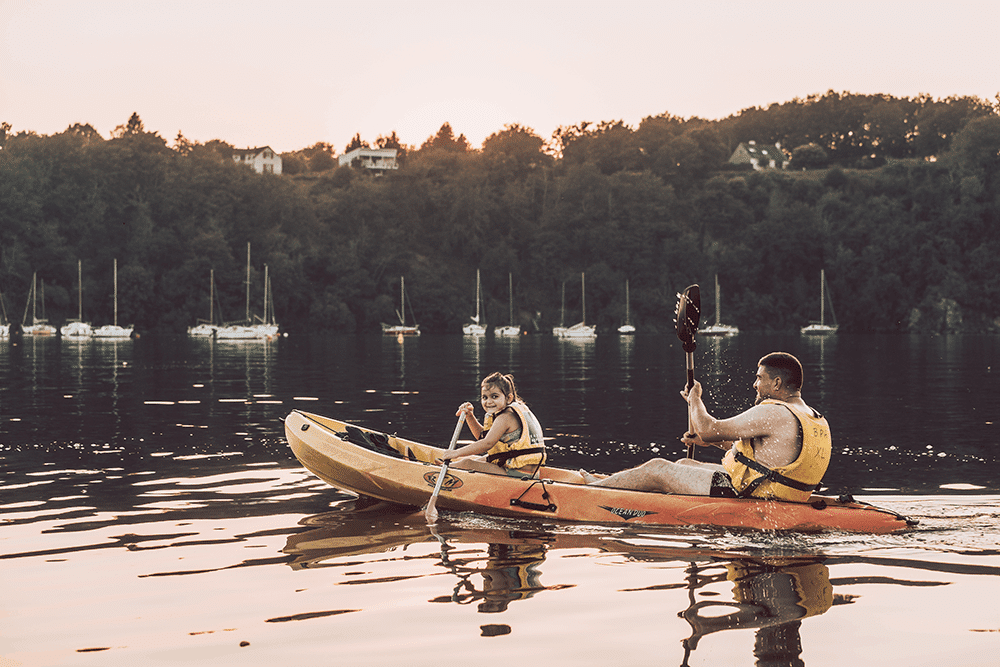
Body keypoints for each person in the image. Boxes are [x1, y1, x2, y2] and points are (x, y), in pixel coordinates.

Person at [584, 352, 831, 501]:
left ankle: (590, 493)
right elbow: (767, 457)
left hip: (754, 497)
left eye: (759, 378)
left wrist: (695, 399)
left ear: (777, 383)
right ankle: (619, 489)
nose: (754, 385)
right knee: (684, 464)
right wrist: (711, 442)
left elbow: (707, 427)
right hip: (779, 493)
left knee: (657, 468)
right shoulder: (811, 415)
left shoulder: (775, 410)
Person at [437, 372, 546, 477]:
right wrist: (470, 416)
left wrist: (455, 453)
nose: (488, 402)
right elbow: (482, 437)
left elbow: (487, 444)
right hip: (526, 470)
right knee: (484, 459)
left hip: (519, 472)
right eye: (485, 397)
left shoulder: (505, 417)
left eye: (494, 396)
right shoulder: (508, 413)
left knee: (467, 463)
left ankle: (440, 470)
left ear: (509, 398)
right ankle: (449, 466)